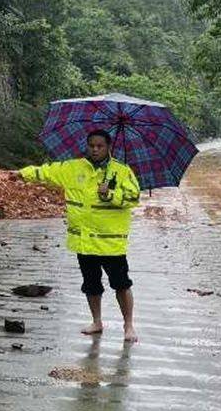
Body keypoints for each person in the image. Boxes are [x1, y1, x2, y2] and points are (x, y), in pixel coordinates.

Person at [11, 130, 141, 342]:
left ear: (109, 147)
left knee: (121, 284)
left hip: (110, 243)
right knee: (91, 284)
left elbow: (134, 197)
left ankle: (128, 325)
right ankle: (97, 321)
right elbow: (47, 172)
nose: (95, 149)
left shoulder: (122, 171)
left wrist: (110, 195)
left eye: (100, 146)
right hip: (84, 241)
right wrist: (23, 173)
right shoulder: (73, 168)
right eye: (91, 145)